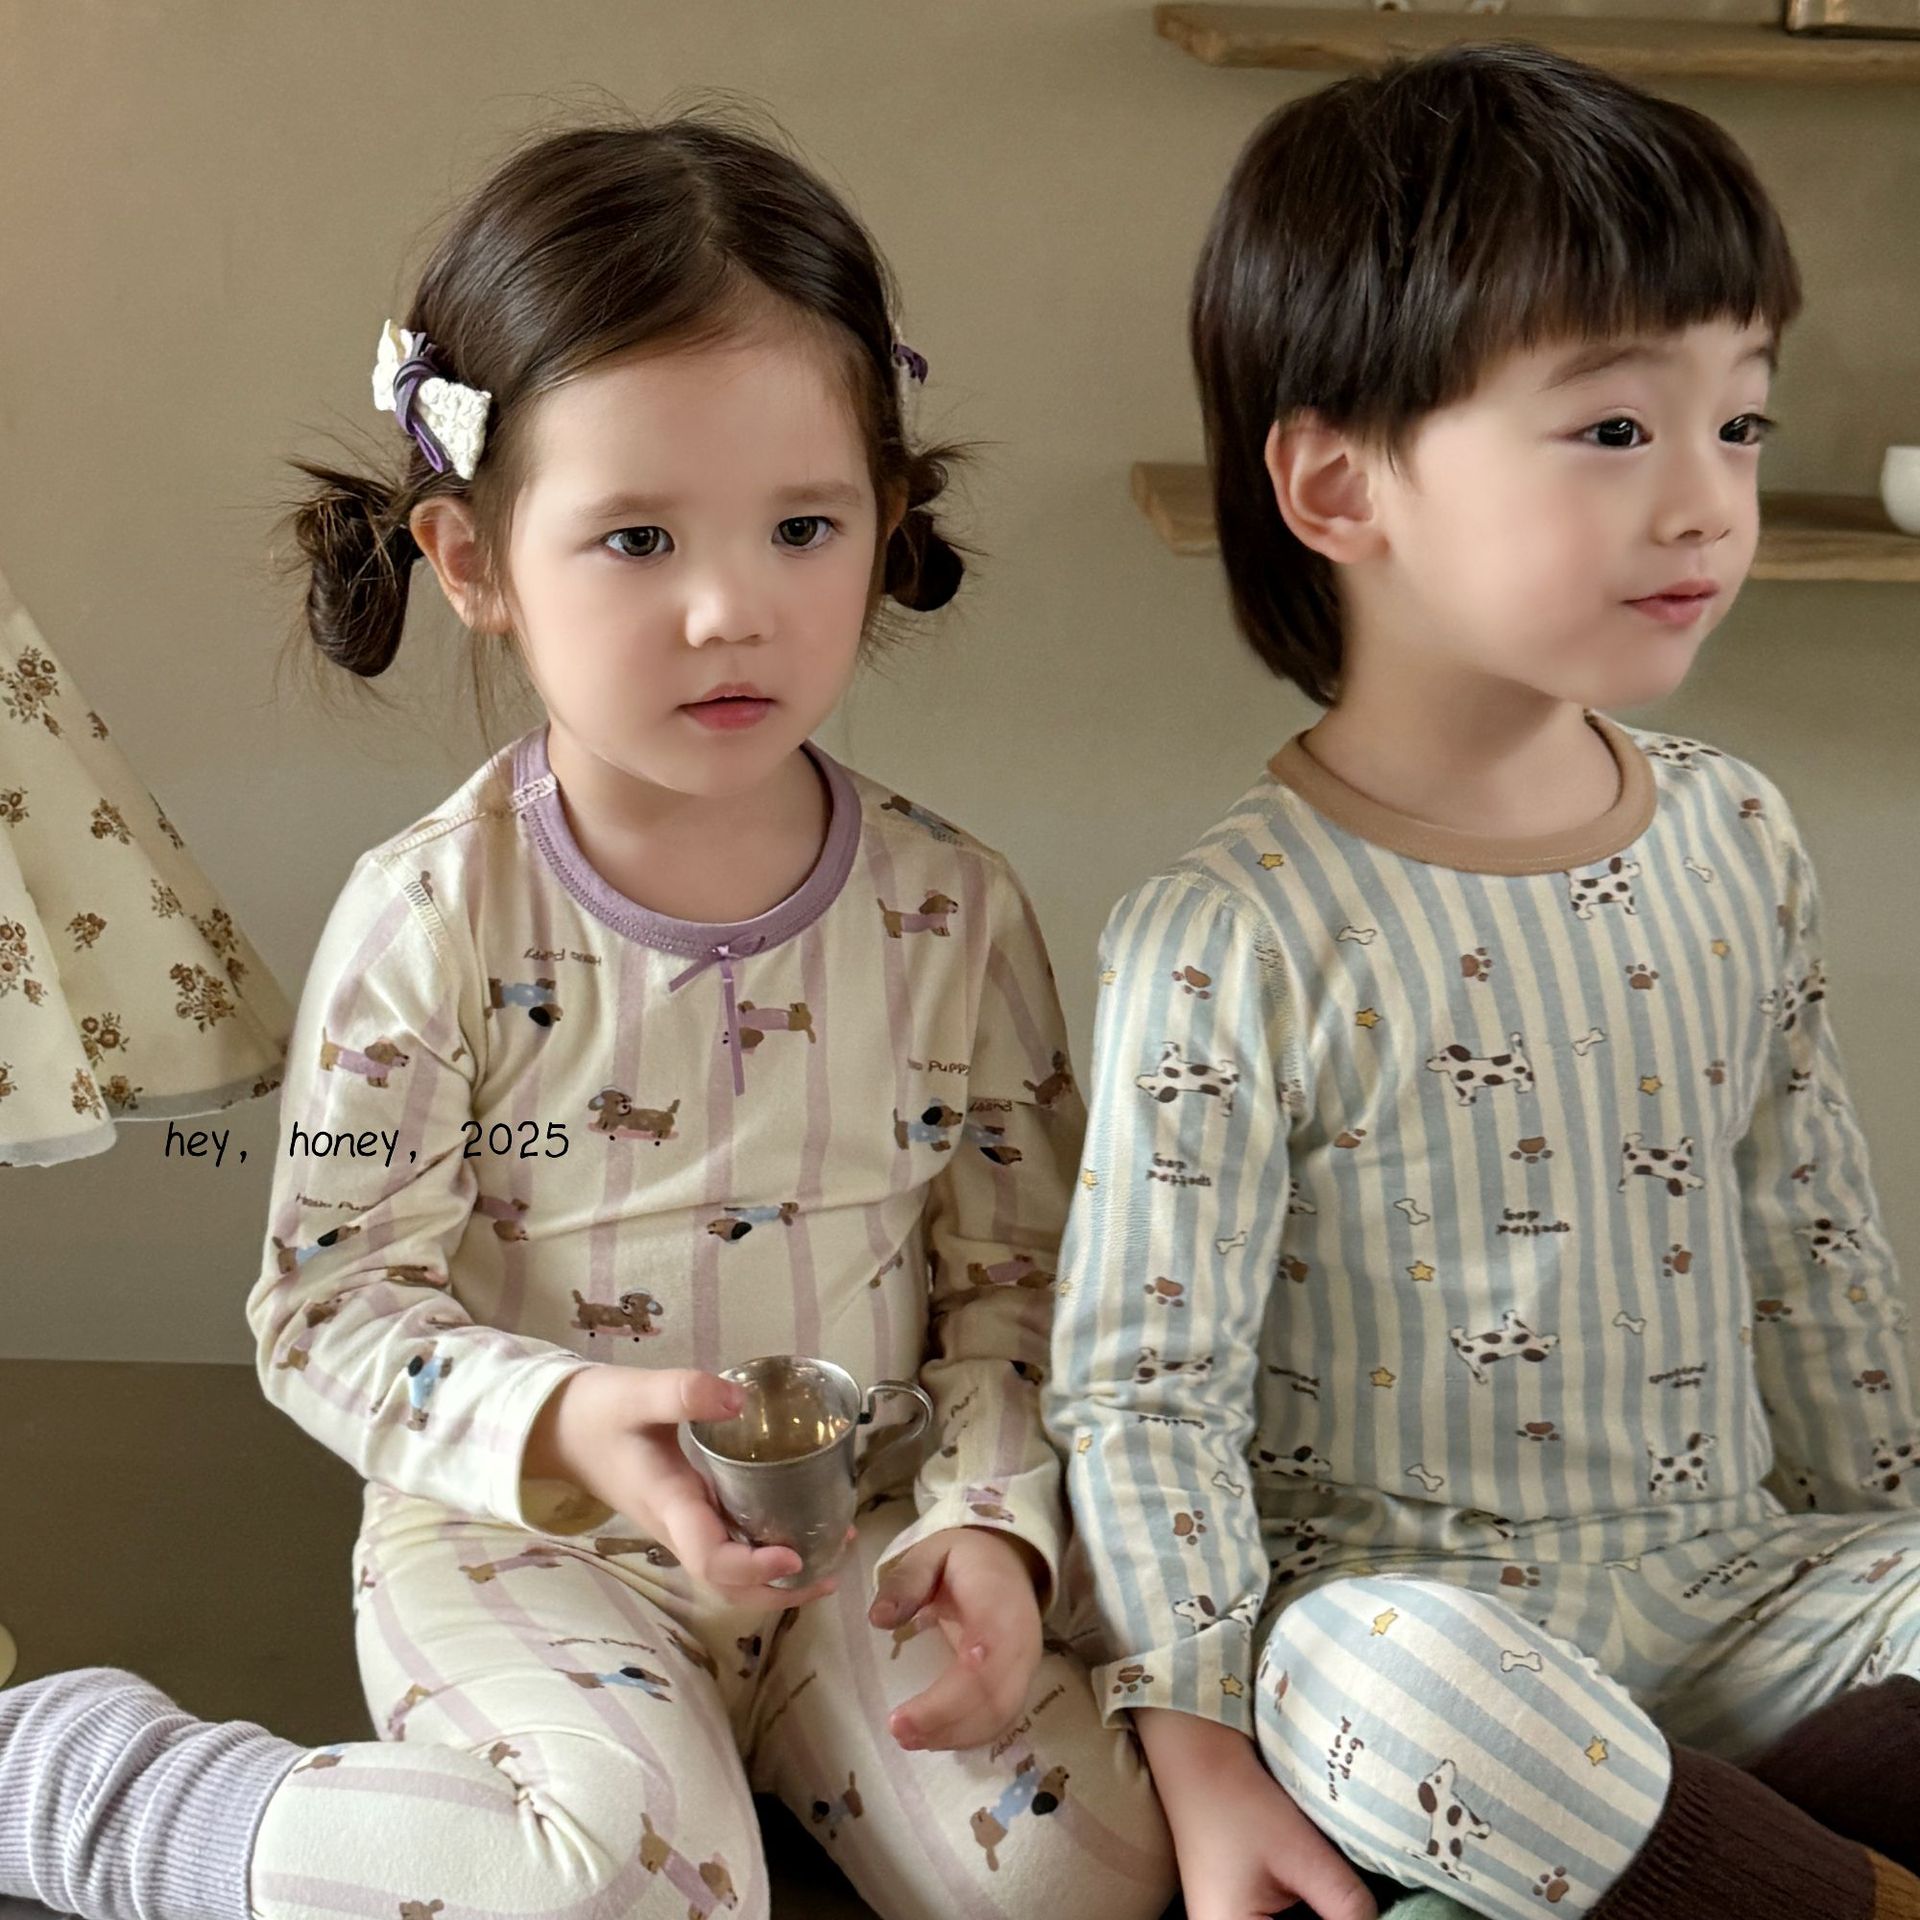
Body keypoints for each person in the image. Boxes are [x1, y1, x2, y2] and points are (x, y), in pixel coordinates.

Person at [0, 115, 1172, 1920]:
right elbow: (326, 1305)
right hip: (525, 1542)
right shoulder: (434, 916)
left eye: (803, 526)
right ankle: (93, 1784)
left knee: (1080, 1883)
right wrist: (565, 1419)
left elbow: (1015, 1292)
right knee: (624, 1884)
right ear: (472, 560)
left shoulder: (958, 911)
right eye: (635, 536)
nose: (729, 609)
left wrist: (990, 1529)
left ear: (885, 523)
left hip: (852, 1533)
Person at [1046, 43, 1920, 1920]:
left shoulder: (1734, 832)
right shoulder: (1230, 934)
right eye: (1614, 430)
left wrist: (1895, 1565)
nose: (1708, 503)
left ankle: (1678, 1857)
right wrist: (1198, 1755)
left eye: (1740, 422)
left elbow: (1813, 1239)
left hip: (1740, 1587)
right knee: (1411, 1695)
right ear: (1338, 484)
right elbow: (1143, 1395)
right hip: (1414, 1629)